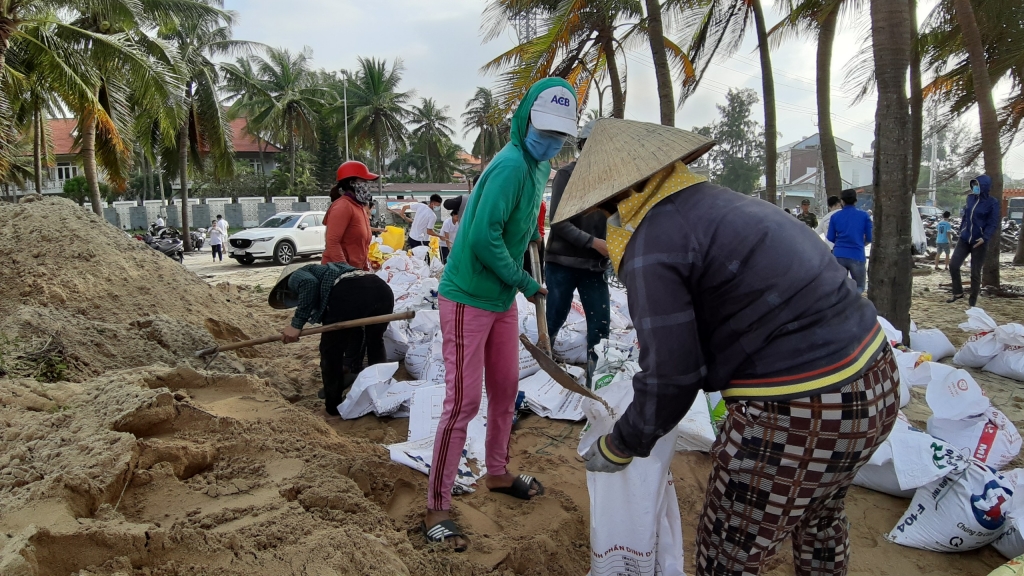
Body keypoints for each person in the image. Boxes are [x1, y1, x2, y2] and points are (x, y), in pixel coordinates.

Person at [556, 118, 897, 576]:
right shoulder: (727, 204)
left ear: (615, 197)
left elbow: (672, 375)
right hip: (877, 381)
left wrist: (621, 444)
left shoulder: (654, 242)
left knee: (727, 550)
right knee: (820, 515)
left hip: (801, 410)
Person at [424, 77, 578, 551]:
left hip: (499, 301)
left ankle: (495, 472)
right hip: (468, 296)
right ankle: (437, 503)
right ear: (525, 118)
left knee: (507, 391)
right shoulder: (512, 165)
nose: (549, 140)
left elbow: (520, 228)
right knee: (464, 402)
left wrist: (533, 241)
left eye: (558, 134)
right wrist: (527, 283)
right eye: (543, 129)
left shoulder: (537, 169)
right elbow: (482, 239)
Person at [269, 261, 394, 416]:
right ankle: (380, 392)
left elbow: (309, 284)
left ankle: (333, 405)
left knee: (330, 352)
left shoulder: (296, 276)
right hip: (381, 290)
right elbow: (355, 332)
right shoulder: (332, 271)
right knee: (374, 341)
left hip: (350, 292)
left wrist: (296, 324)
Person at [544, 119, 610, 373]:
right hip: (562, 262)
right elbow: (559, 222)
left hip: (594, 265)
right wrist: (594, 243)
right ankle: (542, 370)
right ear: (584, 146)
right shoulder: (567, 175)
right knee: (554, 317)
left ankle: (597, 378)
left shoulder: (610, 181)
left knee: (600, 324)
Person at [948, 174, 1001, 306]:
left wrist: (985, 237)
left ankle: (972, 301)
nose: (975, 187)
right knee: (953, 265)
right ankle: (958, 292)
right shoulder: (970, 198)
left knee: (975, 272)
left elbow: (993, 223)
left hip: (979, 241)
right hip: (965, 238)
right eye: (974, 184)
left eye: (977, 185)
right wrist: (962, 230)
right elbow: (966, 216)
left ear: (984, 187)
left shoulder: (992, 203)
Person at [322, 161, 379, 270]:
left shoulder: (359, 206)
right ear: (352, 183)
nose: (367, 185)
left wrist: (366, 266)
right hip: (338, 272)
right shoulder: (343, 206)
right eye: (364, 181)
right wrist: (346, 271)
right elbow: (332, 242)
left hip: (354, 271)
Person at [827, 188, 872, 293]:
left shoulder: (835, 216)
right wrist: (862, 243)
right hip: (857, 254)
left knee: (838, 288)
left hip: (838, 255)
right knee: (859, 286)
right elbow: (870, 237)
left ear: (842, 201)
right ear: (856, 201)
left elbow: (830, 237)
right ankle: (853, 307)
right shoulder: (864, 216)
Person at [439, 195, 465, 263]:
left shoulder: (459, 223)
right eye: (456, 217)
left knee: (453, 262)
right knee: (445, 261)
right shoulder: (447, 223)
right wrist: (449, 249)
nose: (458, 218)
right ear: (453, 215)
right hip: (444, 245)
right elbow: (446, 238)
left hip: (453, 245)